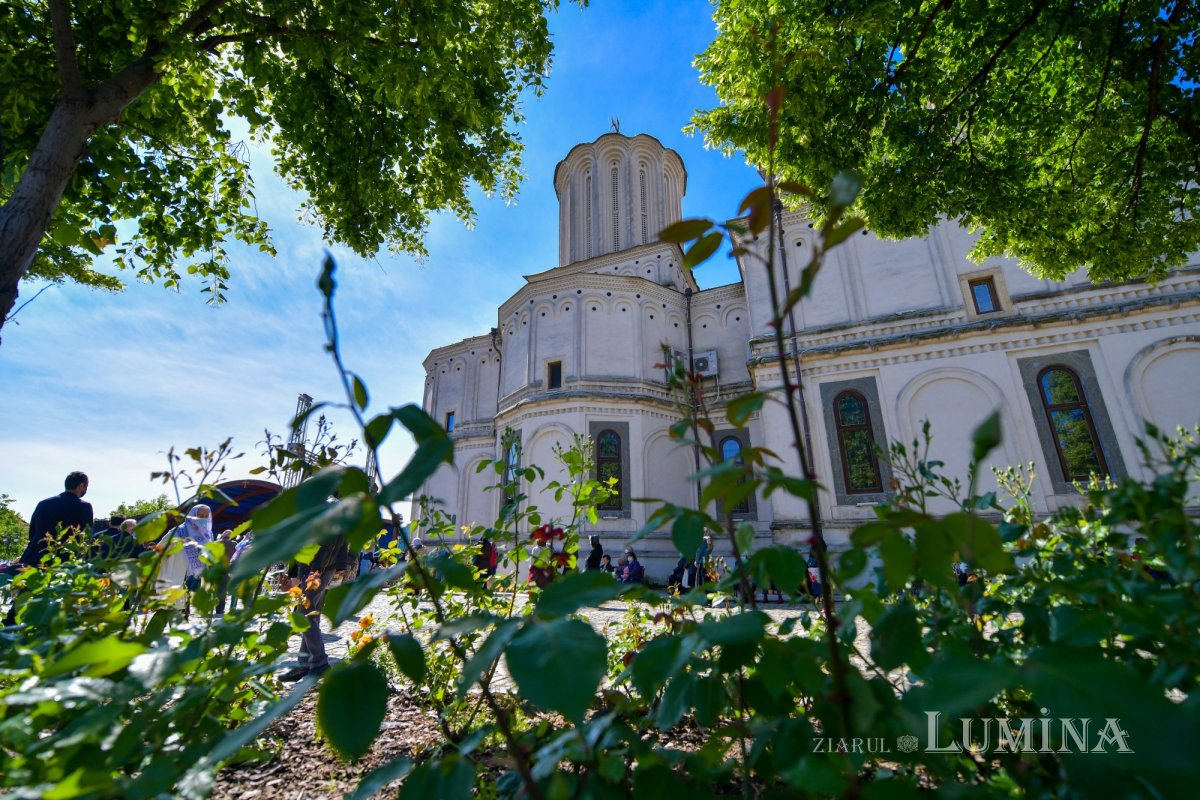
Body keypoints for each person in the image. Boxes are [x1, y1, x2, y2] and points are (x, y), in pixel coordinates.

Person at [280, 532, 350, 681]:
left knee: (304, 615)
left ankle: (319, 663)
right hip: (322, 566)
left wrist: (299, 575)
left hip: (317, 567)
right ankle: (305, 664)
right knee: (311, 614)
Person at [20, 471, 93, 567]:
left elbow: (32, 533)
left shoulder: (43, 503)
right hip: (63, 561)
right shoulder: (84, 506)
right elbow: (86, 536)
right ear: (81, 486)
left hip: (33, 557)